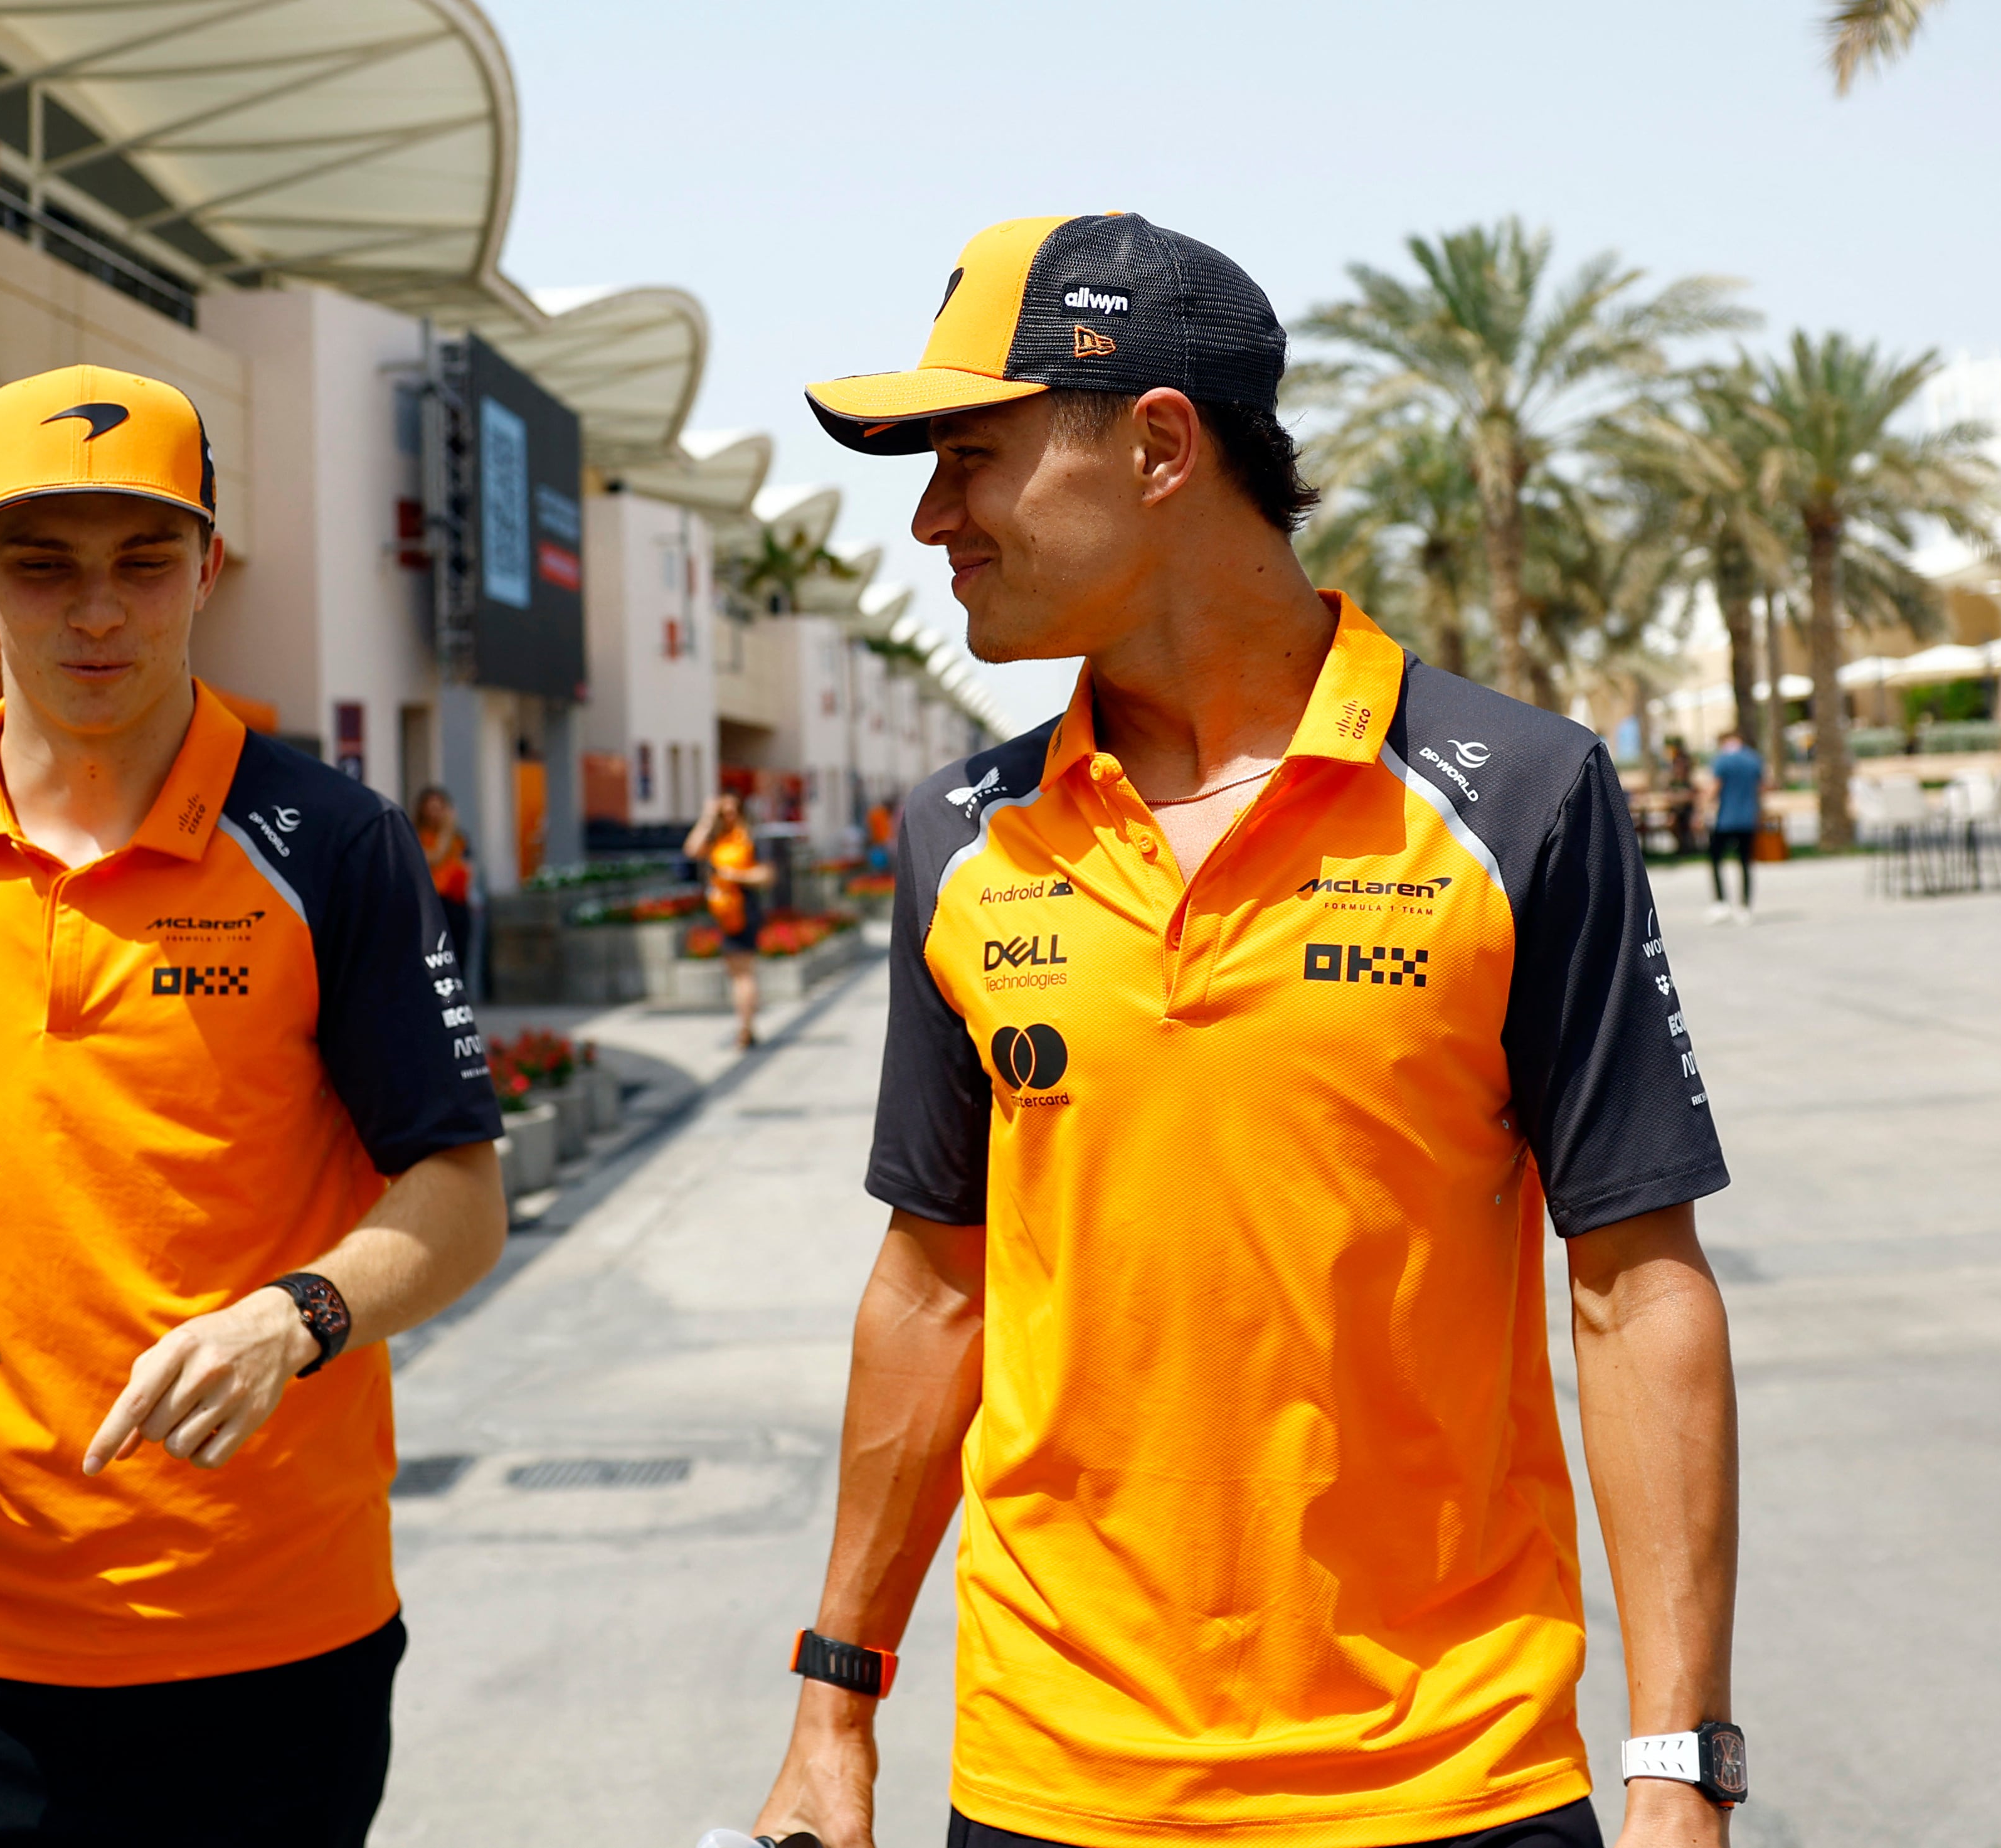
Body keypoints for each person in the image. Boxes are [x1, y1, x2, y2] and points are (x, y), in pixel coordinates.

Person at [753, 215, 1745, 1848]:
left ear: (1157, 445)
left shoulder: (1525, 801)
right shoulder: (959, 837)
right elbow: (933, 1288)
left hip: (1453, 1782)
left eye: (971, 455)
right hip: (1050, 1785)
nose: (932, 517)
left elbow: (1635, 1289)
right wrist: (832, 1707)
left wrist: (1678, 1759)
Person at [0, 363, 509, 1848]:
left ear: (207, 566)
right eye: (45, 565)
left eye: (145, 561)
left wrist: (295, 1313)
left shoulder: (333, 845)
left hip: (269, 1634)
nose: (99, 611)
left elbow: (460, 1192)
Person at [684, 790, 773, 1049]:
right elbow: (691, 850)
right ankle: (747, 1024)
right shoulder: (718, 838)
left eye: (732, 811)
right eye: (724, 813)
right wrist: (707, 817)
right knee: (737, 973)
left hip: (744, 909)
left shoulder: (749, 838)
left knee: (743, 973)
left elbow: (766, 874)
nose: (729, 817)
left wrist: (734, 875)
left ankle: (745, 1029)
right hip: (723, 912)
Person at [414, 783, 475, 980]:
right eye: (431, 808)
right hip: (433, 903)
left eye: (439, 808)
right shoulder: (419, 837)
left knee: (460, 955)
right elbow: (434, 858)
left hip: (457, 903)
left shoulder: (459, 838)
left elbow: (467, 865)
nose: (435, 814)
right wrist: (447, 832)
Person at [1706, 730, 1763, 925]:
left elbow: (1715, 788)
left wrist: (1703, 807)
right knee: (1745, 863)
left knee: (1715, 858)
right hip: (1748, 819)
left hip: (1726, 820)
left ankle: (1722, 902)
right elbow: (1760, 788)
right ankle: (1745, 907)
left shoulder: (1722, 760)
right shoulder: (1753, 759)